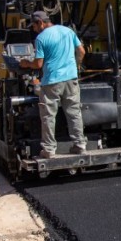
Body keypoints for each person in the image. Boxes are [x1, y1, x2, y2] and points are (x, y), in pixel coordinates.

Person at [19, 11, 87, 158]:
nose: (34, 29)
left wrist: (25, 63)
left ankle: (49, 149)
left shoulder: (41, 38)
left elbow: (38, 64)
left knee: (49, 116)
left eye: (34, 26)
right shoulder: (68, 31)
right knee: (74, 112)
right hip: (71, 79)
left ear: (41, 22)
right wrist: (75, 66)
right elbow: (81, 51)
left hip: (52, 81)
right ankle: (80, 145)